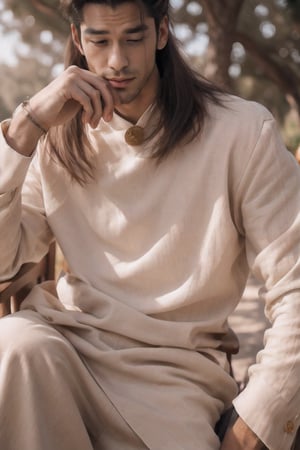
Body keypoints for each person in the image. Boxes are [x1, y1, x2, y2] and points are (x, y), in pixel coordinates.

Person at [0, 0, 300, 449]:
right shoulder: (53, 136)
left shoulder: (240, 132)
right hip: (66, 353)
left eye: (133, 38)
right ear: (79, 39)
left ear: (161, 33)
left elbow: (294, 285)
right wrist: (24, 130)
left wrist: (260, 418)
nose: (117, 60)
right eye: (100, 40)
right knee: (15, 342)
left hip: (176, 381)